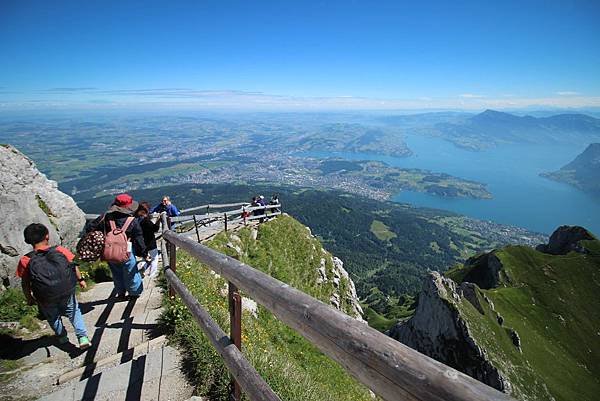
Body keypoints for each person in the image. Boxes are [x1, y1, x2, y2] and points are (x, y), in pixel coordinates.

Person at [17, 223, 91, 349]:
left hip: (44, 295)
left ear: (28, 240)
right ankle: (82, 337)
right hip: (66, 290)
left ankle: (62, 336)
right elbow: (74, 266)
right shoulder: (59, 250)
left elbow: (25, 283)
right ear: (47, 236)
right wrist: (81, 280)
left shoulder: (25, 260)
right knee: (74, 312)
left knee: (52, 316)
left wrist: (29, 298)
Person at [86, 193, 146, 298]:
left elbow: (90, 227)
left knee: (116, 273)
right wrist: (144, 253)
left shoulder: (105, 217)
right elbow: (139, 239)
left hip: (109, 250)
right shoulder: (133, 221)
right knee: (130, 272)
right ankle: (134, 293)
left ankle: (121, 292)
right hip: (127, 250)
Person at [135, 202, 161, 278]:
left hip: (140, 243)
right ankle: (152, 275)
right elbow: (155, 229)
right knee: (154, 257)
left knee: (144, 257)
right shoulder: (145, 220)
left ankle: (142, 269)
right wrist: (158, 221)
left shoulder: (136, 219)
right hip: (150, 241)